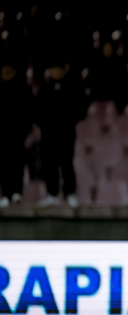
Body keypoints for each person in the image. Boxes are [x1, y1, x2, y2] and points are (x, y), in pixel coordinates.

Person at [35, 55, 88, 207]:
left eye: (58, 69)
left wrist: (69, 121)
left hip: (66, 133)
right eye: (53, 69)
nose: (55, 72)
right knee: (49, 163)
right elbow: (37, 111)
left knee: (66, 163)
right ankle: (52, 194)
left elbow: (81, 109)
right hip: (48, 134)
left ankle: (70, 193)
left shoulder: (72, 88)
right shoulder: (44, 89)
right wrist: (44, 124)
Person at [0, 54, 34, 207]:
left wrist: (24, 130)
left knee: (17, 164)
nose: (5, 74)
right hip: (2, 135)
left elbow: (29, 112)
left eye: (8, 71)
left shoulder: (23, 89)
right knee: (4, 165)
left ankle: (16, 193)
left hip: (18, 134)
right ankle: (6, 194)